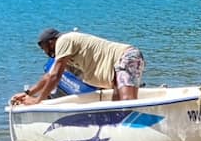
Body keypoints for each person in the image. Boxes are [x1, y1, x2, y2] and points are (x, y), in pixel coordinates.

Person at [11, 28, 145, 106]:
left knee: (127, 101)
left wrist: (38, 100)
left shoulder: (64, 40)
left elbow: (55, 76)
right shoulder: (67, 57)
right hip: (114, 70)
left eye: (43, 47)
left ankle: (138, 131)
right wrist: (28, 93)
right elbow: (48, 77)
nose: (43, 51)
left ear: (51, 43)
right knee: (116, 105)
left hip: (126, 57)